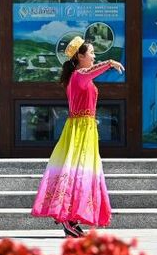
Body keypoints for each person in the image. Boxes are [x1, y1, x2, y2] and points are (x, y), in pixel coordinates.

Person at [31, 37, 124, 237]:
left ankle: (71, 218)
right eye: (91, 53)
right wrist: (110, 63)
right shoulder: (80, 74)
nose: (93, 56)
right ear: (80, 56)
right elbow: (92, 71)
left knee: (79, 173)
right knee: (79, 172)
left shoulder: (78, 76)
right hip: (81, 129)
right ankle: (67, 218)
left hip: (84, 127)